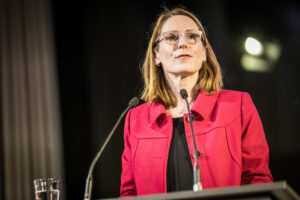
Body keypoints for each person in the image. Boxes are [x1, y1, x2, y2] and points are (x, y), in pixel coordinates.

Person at [120, 7, 273, 197]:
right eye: (171, 37)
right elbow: (129, 192)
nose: (182, 43)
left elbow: (258, 182)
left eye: (192, 36)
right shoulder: (135, 119)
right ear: (156, 55)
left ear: (204, 53)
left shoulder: (238, 105)